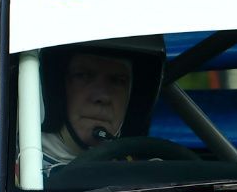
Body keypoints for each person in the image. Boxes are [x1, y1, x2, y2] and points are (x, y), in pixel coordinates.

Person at [39, 39, 164, 170]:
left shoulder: (153, 176)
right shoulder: (19, 173)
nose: (102, 97)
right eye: (83, 76)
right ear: (54, 91)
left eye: (117, 81)